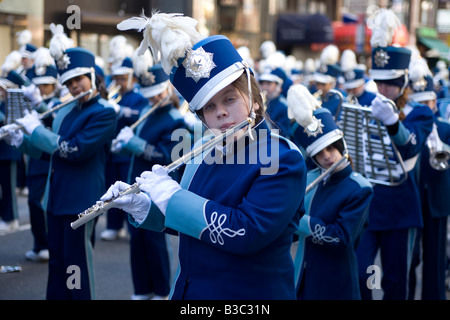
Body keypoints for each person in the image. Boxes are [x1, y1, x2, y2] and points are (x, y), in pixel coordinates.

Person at [100, 11, 307, 299]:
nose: (220, 112)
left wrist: (172, 197)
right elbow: (193, 226)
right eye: (208, 107)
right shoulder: (203, 152)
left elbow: (245, 232)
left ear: (254, 100)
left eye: (230, 99)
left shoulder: (282, 158)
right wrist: (146, 208)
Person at [4, 29, 117, 299]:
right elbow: (49, 152)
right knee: (57, 264)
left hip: (81, 200)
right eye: (68, 83)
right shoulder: (67, 109)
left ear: (92, 77)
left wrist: (36, 130)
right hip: (55, 198)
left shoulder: (104, 112)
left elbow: (73, 149)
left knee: (76, 265)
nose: (74, 86)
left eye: (78, 79)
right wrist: (21, 139)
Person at [355, 9, 434, 300]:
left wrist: (392, 122)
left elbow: (411, 145)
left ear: (403, 81)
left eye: (389, 82)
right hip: (368, 206)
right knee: (362, 273)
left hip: (401, 208)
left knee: (396, 280)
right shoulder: (368, 105)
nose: (383, 89)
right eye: (379, 81)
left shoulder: (421, 112)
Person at [287, 84, 373, 299]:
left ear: (341, 145)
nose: (327, 156)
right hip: (303, 272)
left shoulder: (360, 188)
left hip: (335, 278)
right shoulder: (310, 178)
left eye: (332, 147)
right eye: (319, 153)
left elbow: (340, 238)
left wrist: (298, 219)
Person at [111, 62, 187, 300]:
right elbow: (137, 149)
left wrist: (133, 142)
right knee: (137, 238)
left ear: (167, 89)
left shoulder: (177, 119)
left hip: (159, 186)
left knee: (154, 239)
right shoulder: (146, 110)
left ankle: (162, 290)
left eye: (156, 94)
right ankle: (142, 288)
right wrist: (122, 146)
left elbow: (169, 157)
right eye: (149, 95)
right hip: (138, 181)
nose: (152, 99)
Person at [407, 57, 450, 300]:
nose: (424, 106)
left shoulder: (444, 128)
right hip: (411, 199)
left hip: (437, 199)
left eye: (428, 102)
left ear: (434, 102)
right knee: (409, 259)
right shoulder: (409, 126)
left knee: (435, 258)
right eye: (418, 102)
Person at [101, 56, 148, 241]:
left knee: (128, 190)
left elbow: (140, 116)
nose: (118, 82)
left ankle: (131, 226)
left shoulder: (139, 96)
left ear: (132, 77)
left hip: (128, 153)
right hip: (112, 152)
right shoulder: (115, 94)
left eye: (122, 78)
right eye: (116, 78)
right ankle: (114, 225)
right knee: (111, 187)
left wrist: (121, 110)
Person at [20, 47, 61, 261]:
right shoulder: (31, 102)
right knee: (33, 203)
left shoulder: (60, 102)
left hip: (51, 159)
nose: (42, 89)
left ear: (54, 85)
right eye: (38, 85)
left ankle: (47, 244)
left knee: (44, 204)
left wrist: (39, 104)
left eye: (46, 85)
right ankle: (39, 244)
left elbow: (55, 123)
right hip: (35, 159)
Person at [0, 51, 29, 232]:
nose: (1, 91)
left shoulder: (14, 103)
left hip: (9, 151)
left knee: (9, 188)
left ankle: (11, 219)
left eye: (4, 88)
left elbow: (14, 123)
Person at [313, 44, 344, 120]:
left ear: (332, 84)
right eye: (317, 83)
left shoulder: (340, 100)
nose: (319, 88)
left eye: (323, 84)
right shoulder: (313, 96)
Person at [258, 68, 291, 139]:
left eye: (268, 84)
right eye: (262, 83)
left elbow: (281, 134)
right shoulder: (264, 101)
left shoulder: (284, 106)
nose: (264, 87)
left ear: (277, 86)